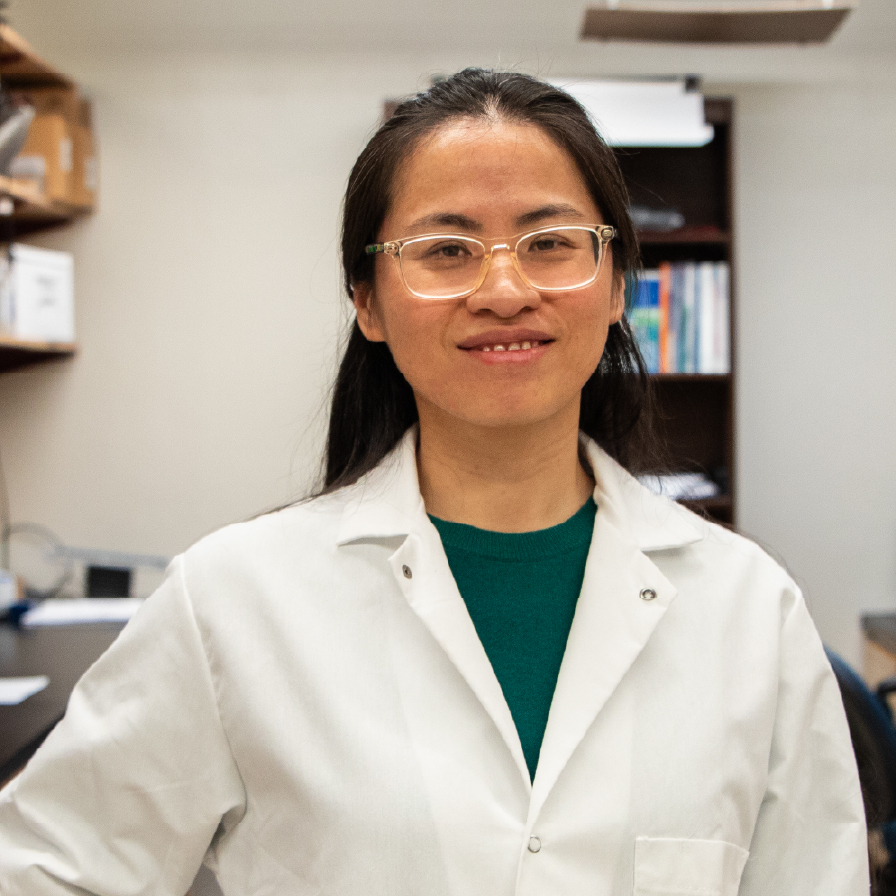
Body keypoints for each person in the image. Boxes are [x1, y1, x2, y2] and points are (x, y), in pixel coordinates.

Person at [0, 68, 869, 895]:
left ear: (614, 288)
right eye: (446, 249)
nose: (503, 288)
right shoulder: (232, 603)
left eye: (552, 243)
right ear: (367, 301)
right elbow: (46, 870)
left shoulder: (753, 612)